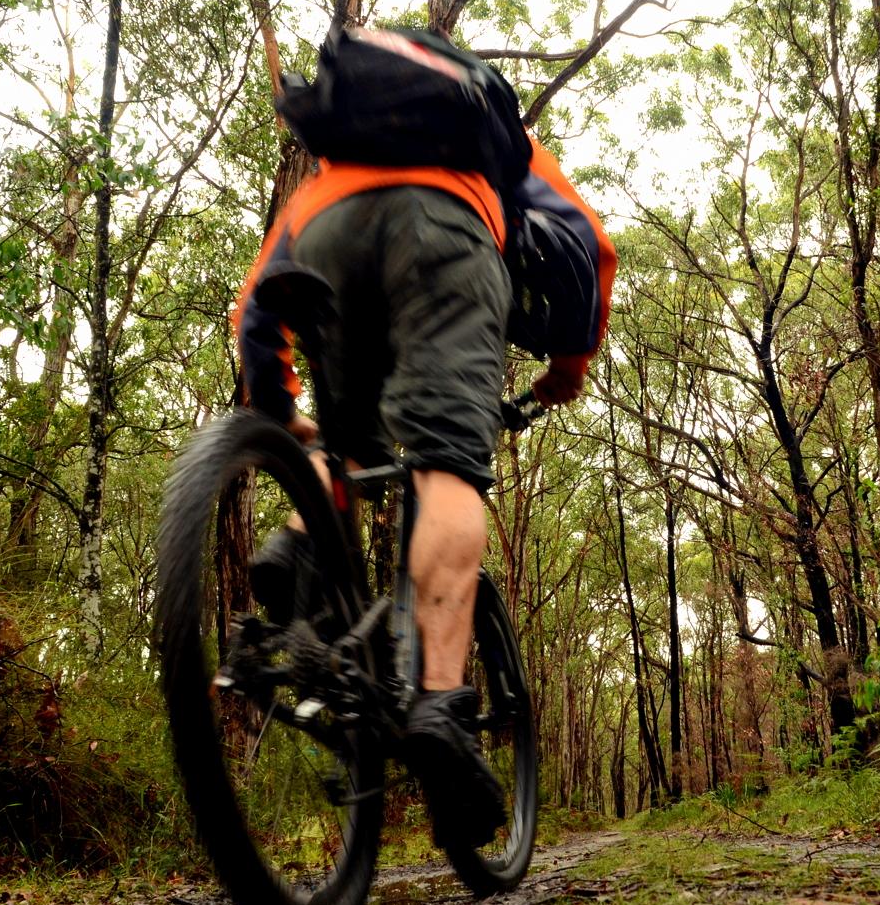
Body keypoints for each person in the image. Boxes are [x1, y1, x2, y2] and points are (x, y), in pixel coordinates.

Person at [231, 133, 615, 850]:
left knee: (342, 450)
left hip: (325, 239)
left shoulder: (338, 155)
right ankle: (439, 702)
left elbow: (257, 296)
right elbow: (587, 243)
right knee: (448, 461)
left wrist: (277, 411)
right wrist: (569, 361)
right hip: (443, 235)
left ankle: (296, 542)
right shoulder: (490, 138)